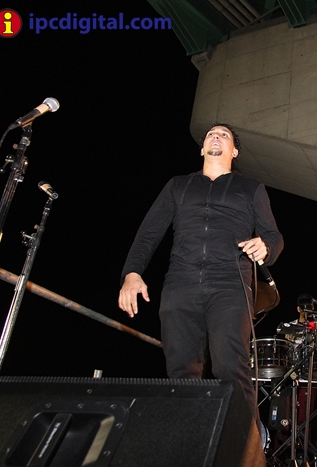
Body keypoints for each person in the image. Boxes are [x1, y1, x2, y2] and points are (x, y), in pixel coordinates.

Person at [118, 123, 284, 422]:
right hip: (180, 283)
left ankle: (245, 444)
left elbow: (273, 235)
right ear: (202, 148)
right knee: (181, 371)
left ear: (234, 151)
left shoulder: (251, 188)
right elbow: (148, 233)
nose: (215, 136)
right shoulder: (178, 185)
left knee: (230, 367)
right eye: (210, 134)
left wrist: (266, 246)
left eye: (224, 135)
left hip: (230, 284)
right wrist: (132, 273)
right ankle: (188, 442)